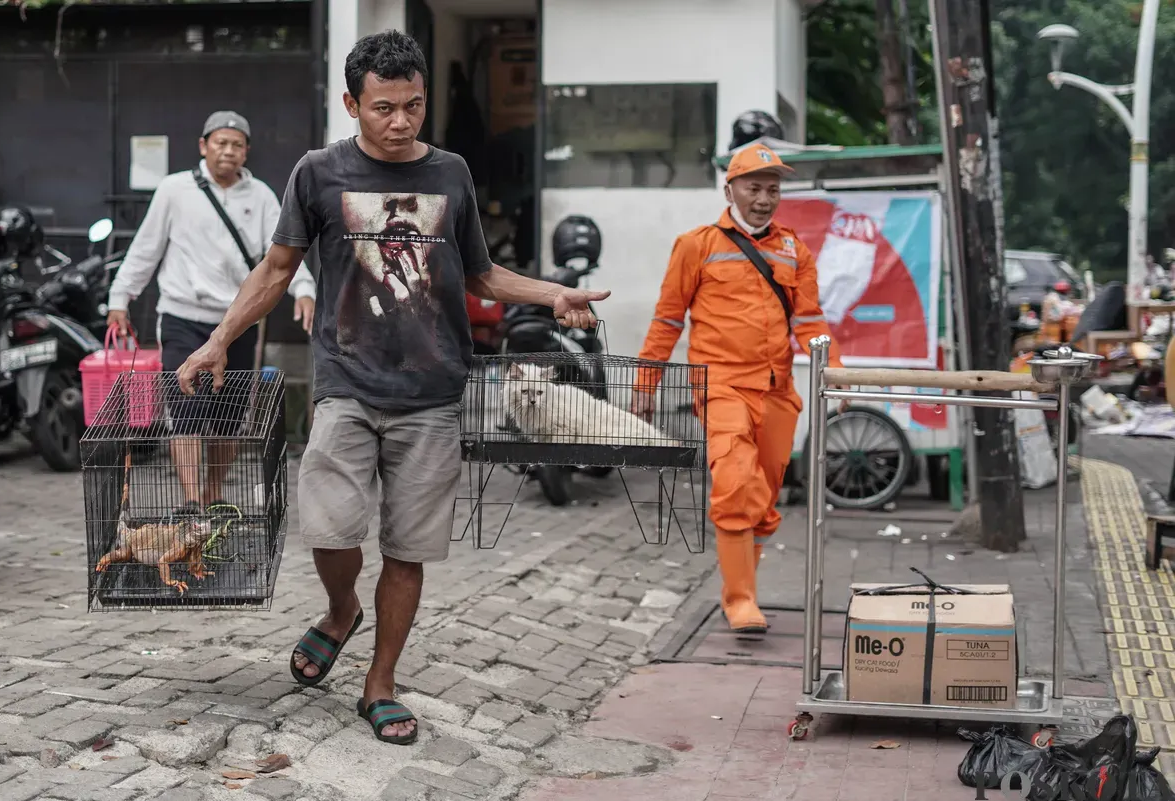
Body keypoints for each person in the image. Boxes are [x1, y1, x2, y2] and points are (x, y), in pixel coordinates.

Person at [174, 30, 608, 745]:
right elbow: (278, 269)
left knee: (408, 549)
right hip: (346, 382)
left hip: (433, 391)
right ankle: (342, 609)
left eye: (412, 105)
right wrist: (219, 341)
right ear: (352, 102)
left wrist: (552, 293)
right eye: (384, 108)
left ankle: (380, 682)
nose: (401, 121)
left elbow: (482, 276)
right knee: (330, 527)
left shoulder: (452, 175)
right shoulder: (317, 173)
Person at [631, 141, 843, 635]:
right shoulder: (697, 244)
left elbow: (811, 320)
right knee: (733, 484)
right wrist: (647, 383)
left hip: (778, 389)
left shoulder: (794, 249)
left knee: (764, 498)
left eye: (773, 189)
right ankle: (740, 600)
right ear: (730, 189)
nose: (764, 198)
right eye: (754, 187)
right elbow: (667, 320)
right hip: (721, 385)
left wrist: (836, 369)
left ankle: (746, 587)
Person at [106, 111, 317, 516]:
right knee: (184, 410)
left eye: (237, 145)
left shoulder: (261, 196)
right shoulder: (174, 190)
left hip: (236, 321)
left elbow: (283, 255)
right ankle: (188, 502)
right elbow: (145, 249)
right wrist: (120, 298)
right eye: (221, 143)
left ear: (246, 152)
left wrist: (304, 289)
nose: (228, 151)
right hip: (183, 316)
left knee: (227, 416)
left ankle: (211, 495)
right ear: (203, 146)